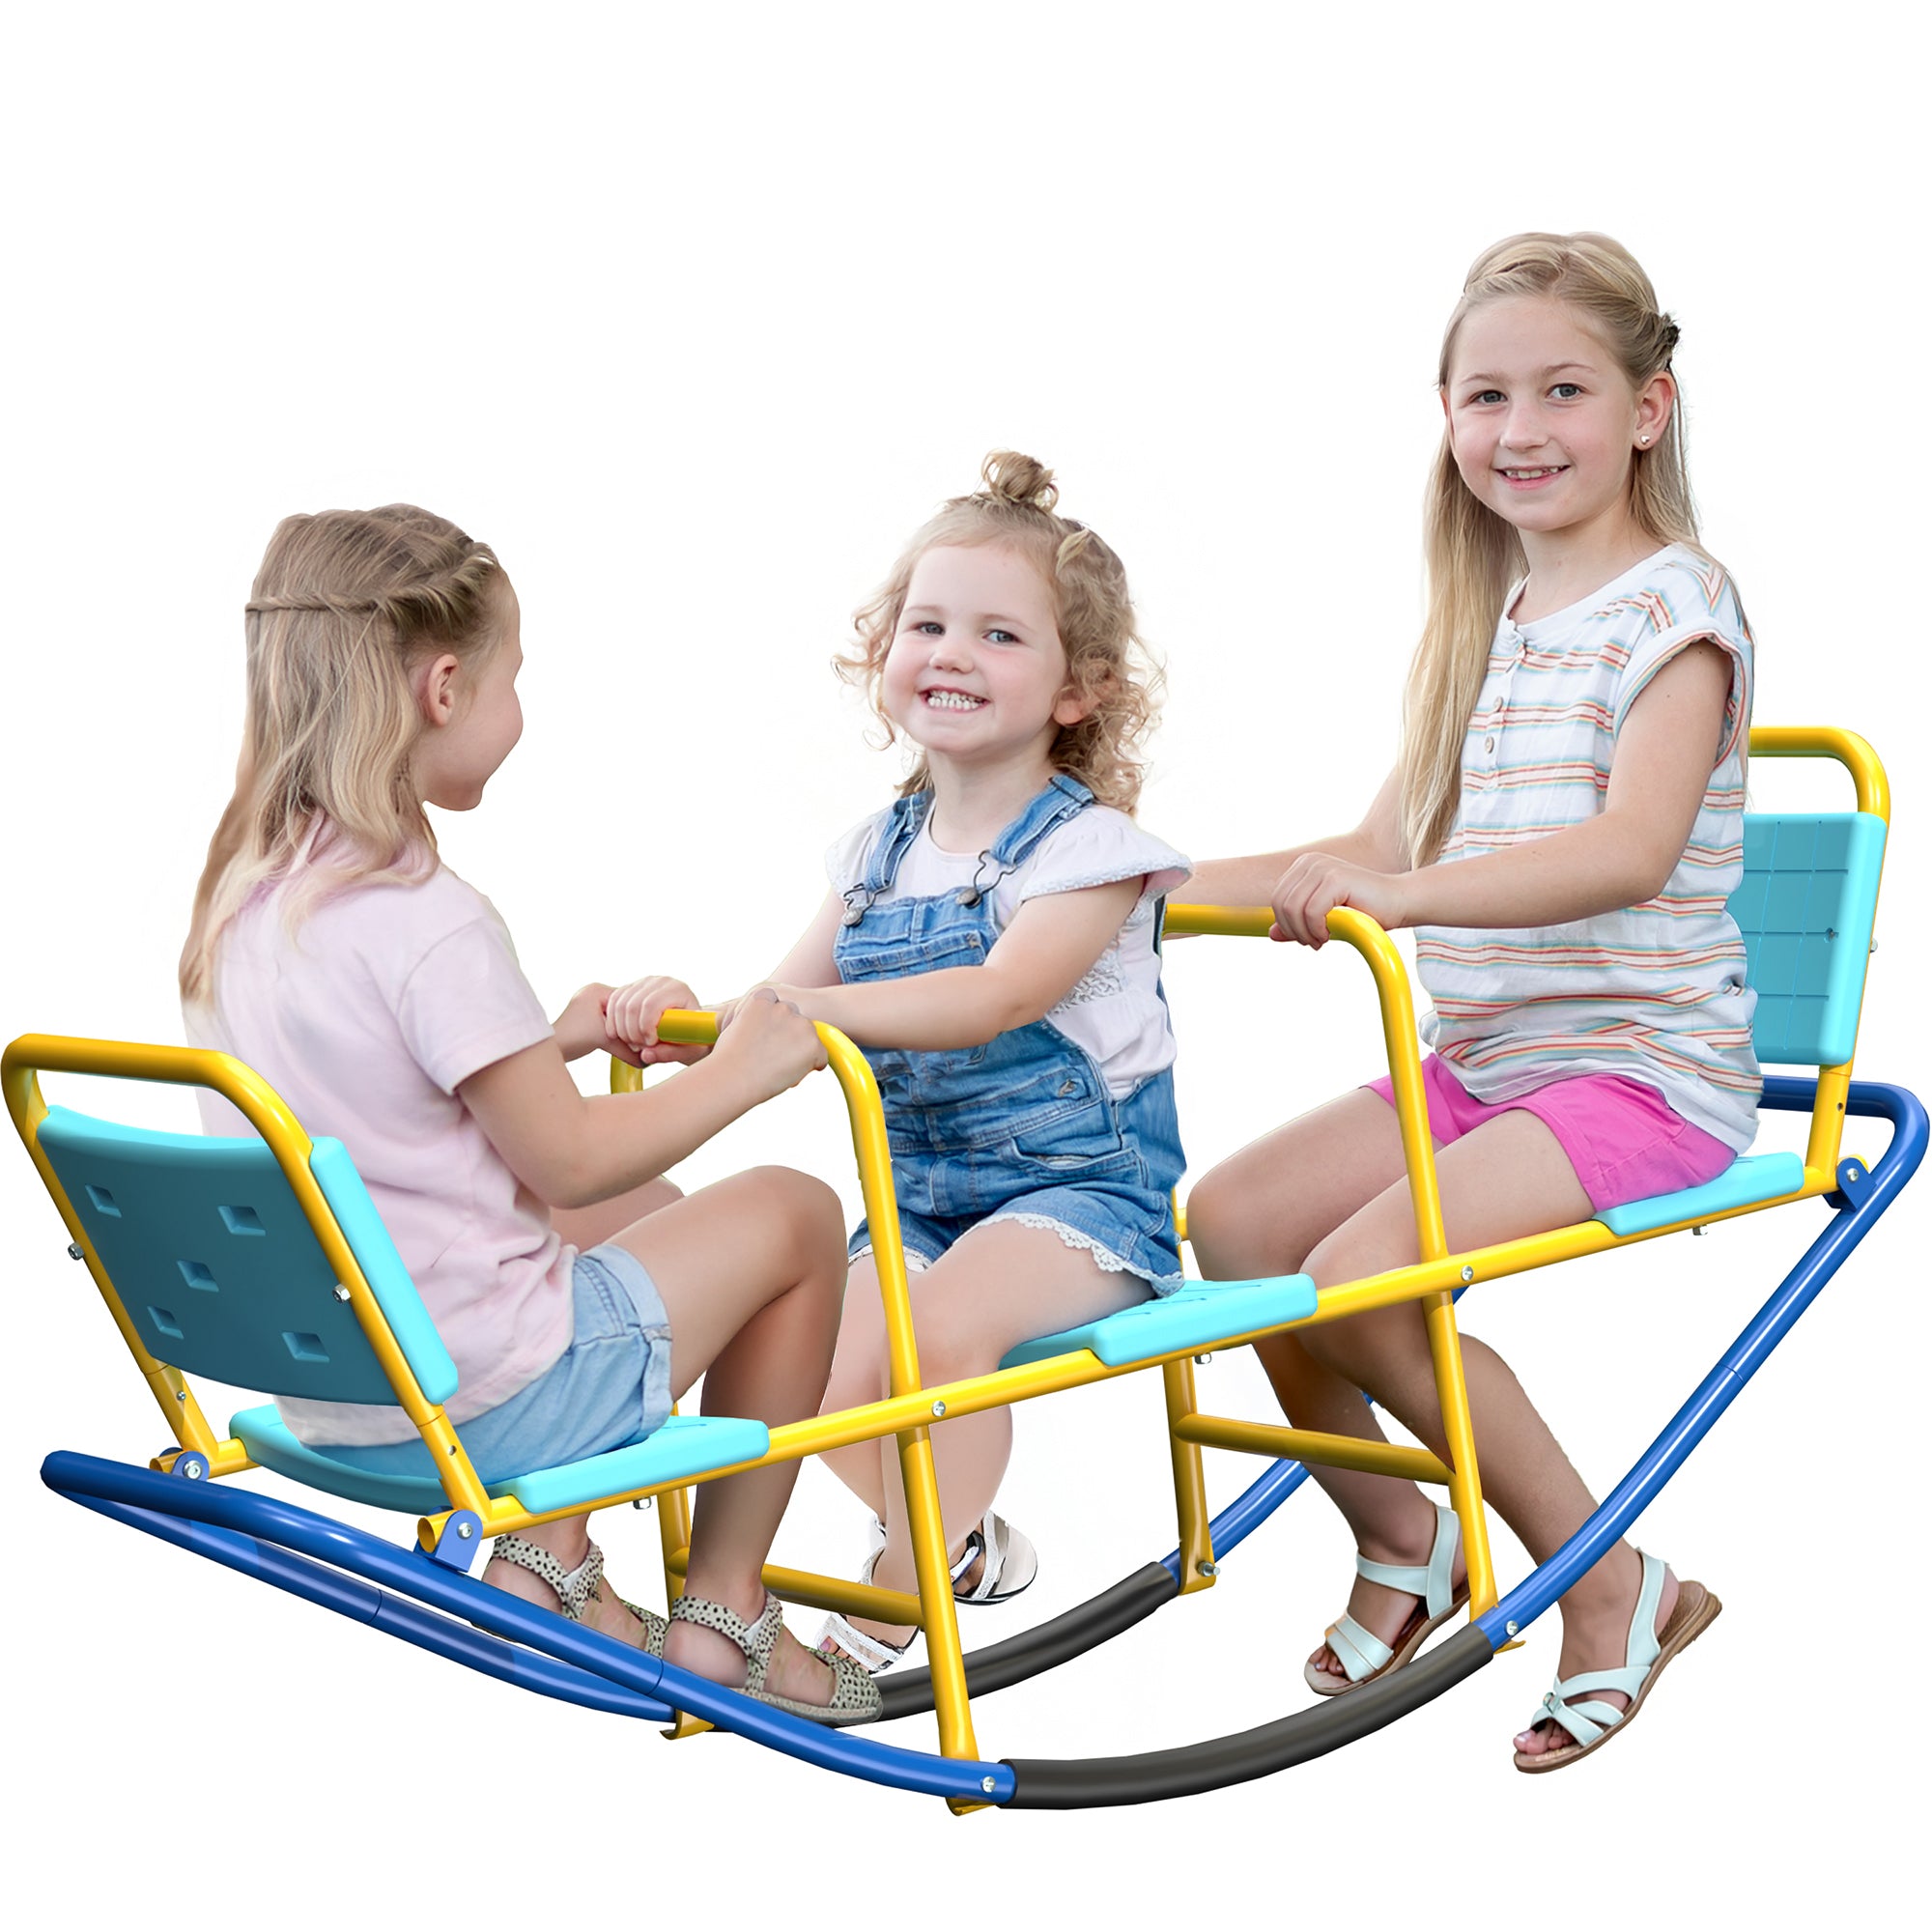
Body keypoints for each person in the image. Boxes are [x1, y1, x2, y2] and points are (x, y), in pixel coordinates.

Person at [1184, 234, 1747, 1771]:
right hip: (1492, 1064)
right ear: (1446, 418)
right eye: (1485, 395)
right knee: (1235, 1222)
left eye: (1564, 390)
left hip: (1643, 1070)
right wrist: (1128, 887)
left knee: (1364, 1278)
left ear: (1646, 408)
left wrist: (1408, 901)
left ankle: (1616, 1587)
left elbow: (1632, 852)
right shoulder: (1485, 626)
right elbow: (1373, 847)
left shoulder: (1678, 614)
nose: (1521, 429)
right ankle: (1401, 1534)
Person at [181, 504, 879, 1724]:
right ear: (445, 687)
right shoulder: (427, 917)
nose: (516, 708)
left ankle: (552, 1560)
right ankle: (726, 1613)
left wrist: (543, 1043)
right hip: (482, 1400)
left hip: (339, 1388)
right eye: (513, 678)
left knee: (652, 1206)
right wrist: (744, 1066)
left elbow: (373, 1095)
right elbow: (566, 1154)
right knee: (794, 1212)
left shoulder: (246, 902)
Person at [607, 453, 1189, 1671]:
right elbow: (780, 1000)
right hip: (918, 1192)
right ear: (883, 648)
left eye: (997, 634)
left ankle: (886, 1612)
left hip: (1080, 1196)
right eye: (927, 625)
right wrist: (686, 1020)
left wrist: (807, 1011)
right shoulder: (875, 852)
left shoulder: (1089, 851)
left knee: (932, 1341)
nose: (951, 654)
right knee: (815, 1361)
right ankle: (954, 1537)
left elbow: (997, 997)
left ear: (1078, 688)